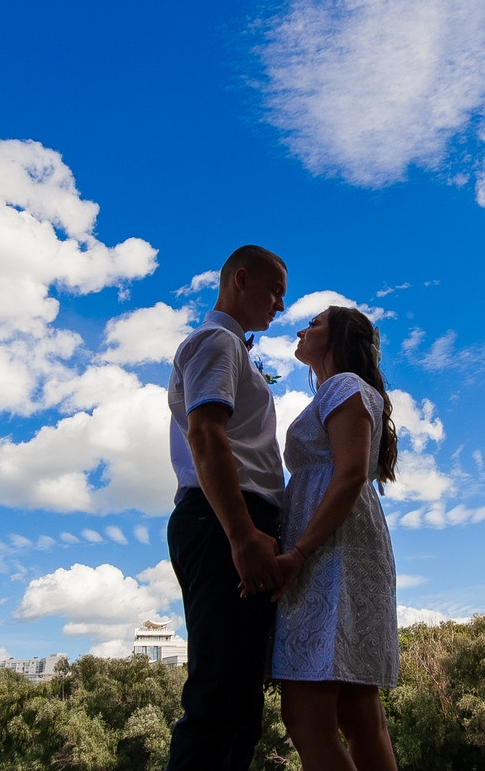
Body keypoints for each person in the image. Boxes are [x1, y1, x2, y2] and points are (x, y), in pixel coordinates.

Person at [165, 245, 290, 771]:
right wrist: (241, 535)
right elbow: (206, 434)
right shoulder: (217, 341)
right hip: (225, 521)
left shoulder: (230, 347)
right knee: (220, 700)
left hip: (229, 521)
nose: (280, 305)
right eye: (275, 291)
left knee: (236, 700)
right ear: (241, 279)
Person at [269, 304, 400, 771]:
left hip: (330, 554)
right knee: (360, 716)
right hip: (343, 549)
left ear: (340, 337)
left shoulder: (344, 385)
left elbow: (348, 475)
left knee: (307, 721)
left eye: (315, 323)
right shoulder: (343, 389)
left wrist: (299, 552)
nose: (301, 330)